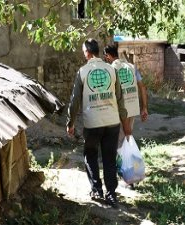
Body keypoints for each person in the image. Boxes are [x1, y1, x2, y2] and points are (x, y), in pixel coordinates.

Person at [66, 38, 131, 208]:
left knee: (91, 155)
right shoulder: (111, 70)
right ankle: (111, 195)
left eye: (83, 51)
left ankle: (96, 190)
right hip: (112, 122)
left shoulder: (82, 72)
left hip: (93, 123)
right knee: (109, 158)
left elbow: (74, 102)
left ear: (87, 52)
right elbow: (120, 98)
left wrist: (70, 123)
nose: (83, 53)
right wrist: (125, 122)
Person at [103, 44, 148, 188]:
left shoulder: (111, 69)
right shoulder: (131, 67)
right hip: (132, 108)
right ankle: (131, 175)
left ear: (108, 56)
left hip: (119, 111)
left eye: (106, 57)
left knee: (119, 144)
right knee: (127, 140)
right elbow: (142, 87)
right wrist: (144, 107)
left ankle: (127, 177)